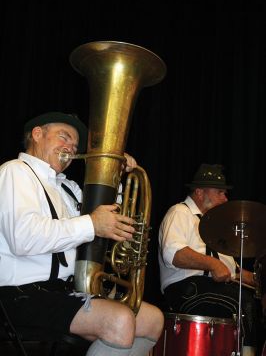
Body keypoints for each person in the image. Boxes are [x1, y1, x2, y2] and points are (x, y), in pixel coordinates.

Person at [0, 111, 164, 356]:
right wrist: (91, 224)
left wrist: (118, 176)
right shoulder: (15, 171)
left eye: (75, 145)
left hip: (61, 292)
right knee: (119, 321)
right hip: (19, 294)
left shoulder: (68, 186)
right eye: (64, 137)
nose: (70, 148)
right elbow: (23, 238)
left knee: (153, 321)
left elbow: (107, 216)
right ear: (37, 134)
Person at [158, 163, 259, 356]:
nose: (225, 198)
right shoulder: (180, 213)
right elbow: (173, 253)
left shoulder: (213, 227)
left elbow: (232, 270)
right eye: (220, 192)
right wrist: (214, 264)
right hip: (186, 289)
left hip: (210, 287)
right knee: (243, 303)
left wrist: (258, 281)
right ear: (199, 192)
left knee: (251, 301)